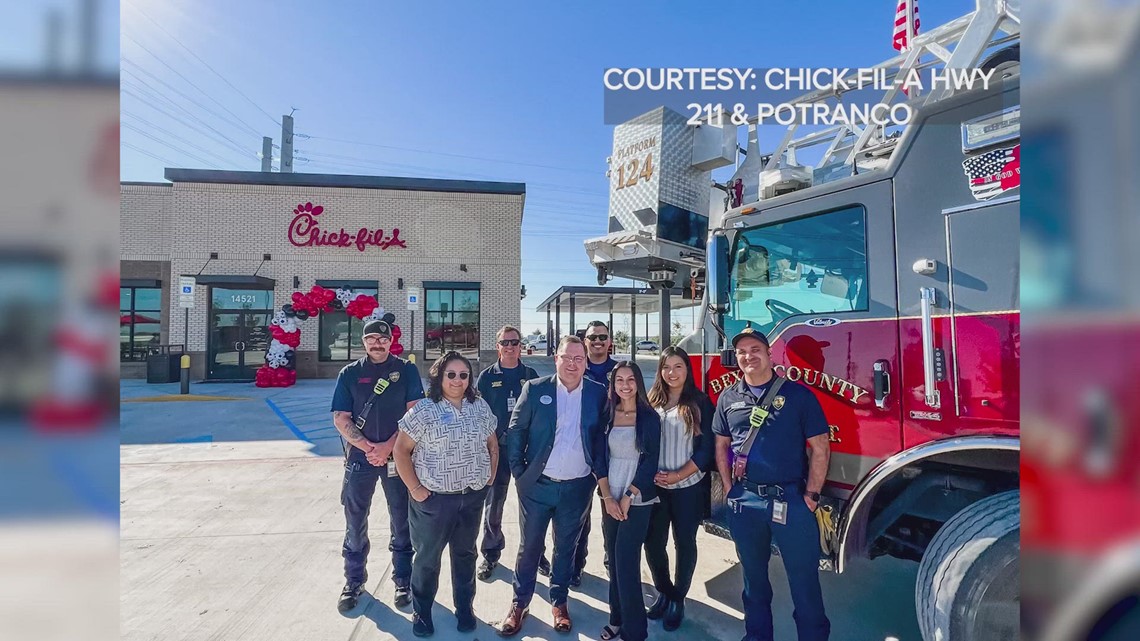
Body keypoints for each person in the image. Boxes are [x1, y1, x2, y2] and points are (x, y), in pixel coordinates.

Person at [713, 327, 831, 641]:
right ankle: (757, 636)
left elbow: (820, 446)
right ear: (736, 357)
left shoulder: (797, 395)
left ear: (768, 354)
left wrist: (812, 495)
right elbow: (721, 445)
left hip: (791, 502)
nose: (748, 356)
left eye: (755, 349)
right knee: (753, 582)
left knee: (804, 584)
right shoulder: (729, 397)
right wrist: (728, 488)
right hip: (745, 501)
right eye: (742, 351)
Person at [498, 336, 607, 637]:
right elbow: (516, 430)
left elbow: (601, 437)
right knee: (530, 547)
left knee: (565, 549)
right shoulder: (535, 389)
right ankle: (519, 604)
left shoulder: (598, 393)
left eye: (579, 359)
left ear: (586, 362)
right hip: (537, 486)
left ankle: (559, 602)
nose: (572, 364)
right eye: (566, 357)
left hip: (577, 488)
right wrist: (520, 472)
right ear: (556, 358)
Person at [394, 351, 499, 637]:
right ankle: (422, 611)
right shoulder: (423, 410)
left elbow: (492, 444)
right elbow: (401, 450)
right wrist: (416, 489)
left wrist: (489, 478)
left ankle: (465, 608)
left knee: (465, 555)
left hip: (471, 497)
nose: (457, 380)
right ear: (439, 377)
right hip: (433, 501)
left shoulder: (479, 407)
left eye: (463, 375)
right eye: (450, 374)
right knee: (427, 559)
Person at [330, 319, 424, 613]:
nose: (377, 344)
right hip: (361, 459)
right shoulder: (349, 374)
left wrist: (387, 448)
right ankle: (354, 580)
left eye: (382, 339)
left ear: (391, 341)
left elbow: (415, 414)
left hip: (399, 458)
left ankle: (402, 580)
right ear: (364, 342)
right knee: (355, 521)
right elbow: (341, 418)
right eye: (371, 339)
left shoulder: (406, 370)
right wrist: (370, 448)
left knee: (401, 519)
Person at [540, 319, 617, 584]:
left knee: (610, 513)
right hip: (580, 458)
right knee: (578, 520)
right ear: (585, 343)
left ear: (609, 341)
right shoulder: (576, 370)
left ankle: (611, 563)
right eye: (592, 337)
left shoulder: (618, 371)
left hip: (610, 455)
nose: (597, 341)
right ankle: (574, 566)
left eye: (602, 337)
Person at [644, 346, 715, 631]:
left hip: (687, 487)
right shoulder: (651, 401)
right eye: (666, 367)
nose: (672, 373)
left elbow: (706, 449)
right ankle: (664, 591)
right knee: (653, 543)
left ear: (687, 370)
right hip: (656, 488)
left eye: (678, 367)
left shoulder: (699, 402)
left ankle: (678, 600)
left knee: (684, 543)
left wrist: (678, 475)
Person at [594, 362, 661, 641]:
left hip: (638, 498)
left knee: (626, 560)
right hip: (610, 495)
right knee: (613, 557)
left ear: (638, 383)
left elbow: (650, 462)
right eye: (619, 380)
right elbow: (599, 458)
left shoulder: (649, 417)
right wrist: (608, 496)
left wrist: (629, 497)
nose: (625, 385)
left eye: (630, 379)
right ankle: (616, 618)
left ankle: (635, 631)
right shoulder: (608, 415)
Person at [476, 326, 539, 580]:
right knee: (494, 506)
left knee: (534, 507)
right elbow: (478, 414)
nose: (511, 346)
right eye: (506, 342)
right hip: (497, 451)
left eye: (515, 342)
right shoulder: (486, 377)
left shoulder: (531, 375)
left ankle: (537, 554)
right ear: (498, 345)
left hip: (526, 451)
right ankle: (491, 554)